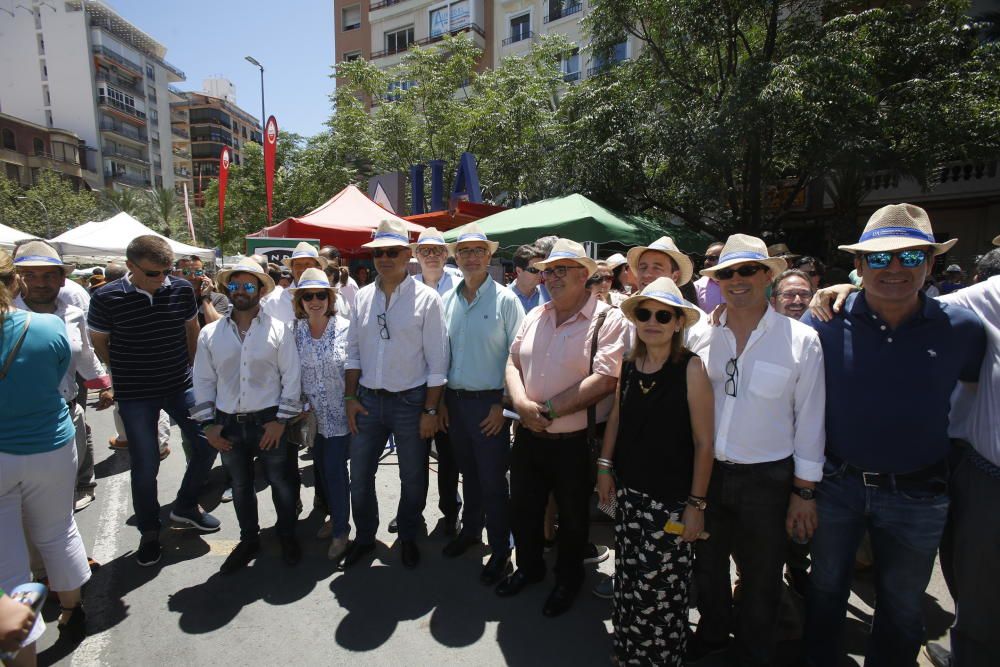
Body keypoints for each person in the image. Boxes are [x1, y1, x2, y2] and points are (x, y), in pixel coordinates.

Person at [799, 204, 986, 667]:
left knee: (903, 608)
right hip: (836, 484)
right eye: (880, 259)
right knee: (824, 592)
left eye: (910, 257)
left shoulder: (962, 328)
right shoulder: (822, 321)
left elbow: (976, 394)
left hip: (919, 492)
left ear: (930, 263)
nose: (896, 269)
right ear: (859, 267)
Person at [690, 234, 826, 665]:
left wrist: (804, 493)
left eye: (748, 269)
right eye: (727, 272)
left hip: (768, 480)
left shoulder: (801, 340)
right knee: (707, 568)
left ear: (769, 275)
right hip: (709, 475)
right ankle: (711, 636)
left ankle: (752, 651)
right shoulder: (699, 334)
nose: (737, 279)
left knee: (762, 578)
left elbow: (810, 421)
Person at [499, 238, 629, 617]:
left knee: (573, 519)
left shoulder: (607, 319)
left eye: (561, 270)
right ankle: (530, 568)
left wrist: (549, 410)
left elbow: (606, 379)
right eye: (548, 271)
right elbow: (511, 363)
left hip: (575, 442)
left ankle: (568, 579)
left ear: (585, 275)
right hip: (527, 434)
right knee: (523, 509)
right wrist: (522, 404)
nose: (551, 277)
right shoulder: (536, 315)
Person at [596, 277, 714, 665]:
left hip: (671, 502)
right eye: (645, 313)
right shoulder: (629, 365)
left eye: (664, 315)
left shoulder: (691, 368)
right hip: (631, 496)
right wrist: (604, 467)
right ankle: (628, 654)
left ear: (678, 322)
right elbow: (616, 418)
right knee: (629, 581)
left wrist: (697, 504)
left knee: (660, 591)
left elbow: (703, 443)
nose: (653, 321)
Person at [88, 235, 221, 567]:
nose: (162, 279)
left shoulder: (178, 289)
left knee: (209, 444)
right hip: (135, 393)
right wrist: (121, 374)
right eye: (153, 273)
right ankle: (150, 532)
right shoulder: (106, 297)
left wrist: (192, 370)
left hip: (180, 385)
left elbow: (191, 330)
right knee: (146, 465)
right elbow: (100, 342)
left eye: (167, 270)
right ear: (130, 267)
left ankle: (186, 506)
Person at [341, 219, 449, 570]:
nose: (384, 258)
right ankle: (365, 537)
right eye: (378, 252)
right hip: (368, 400)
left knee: (413, 476)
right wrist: (350, 397)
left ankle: (407, 536)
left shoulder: (427, 299)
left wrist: (430, 411)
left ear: (407, 255)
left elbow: (437, 362)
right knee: (359, 476)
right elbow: (352, 352)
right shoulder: (361, 296)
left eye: (392, 251)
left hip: (410, 401)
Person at [0, 249, 91, 656]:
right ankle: (73, 608)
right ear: (15, 280)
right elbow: (58, 375)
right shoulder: (48, 326)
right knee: (59, 530)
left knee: (8, 556)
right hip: (50, 443)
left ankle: (23, 652)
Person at [191, 258, 303, 573]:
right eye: (236, 286)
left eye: (249, 285)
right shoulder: (210, 334)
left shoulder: (279, 330)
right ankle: (248, 540)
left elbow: (291, 378)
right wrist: (209, 425)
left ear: (260, 290)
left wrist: (280, 421)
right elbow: (202, 380)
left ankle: (287, 535)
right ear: (228, 289)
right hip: (228, 424)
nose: (241, 291)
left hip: (269, 420)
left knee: (282, 482)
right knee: (241, 486)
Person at [439, 223, 525, 584]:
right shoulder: (446, 300)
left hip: (490, 403)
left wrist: (504, 404)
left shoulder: (507, 300)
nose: (471, 257)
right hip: (454, 403)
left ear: (489, 257)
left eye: (478, 251)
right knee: (468, 474)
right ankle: (471, 531)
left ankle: (502, 550)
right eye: (464, 251)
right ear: (456, 258)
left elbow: (519, 356)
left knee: (492, 482)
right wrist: (440, 402)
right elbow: (439, 356)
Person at [12, 241, 113, 512]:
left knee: (62, 496)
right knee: (21, 503)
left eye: (48, 275)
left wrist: (104, 385)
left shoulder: (73, 314)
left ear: (61, 278)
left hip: (66, 416)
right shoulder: (6, 315)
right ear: (16, 278)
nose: (40, 283)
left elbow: (85, 354)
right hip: (16, 425)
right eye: (30, 275)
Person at [290, 268, 352, 561]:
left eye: (320, 295)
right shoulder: (294, 331)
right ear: (300, 301)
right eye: (308, 296)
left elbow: (357, 371)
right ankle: (335, 519)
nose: (315, 301)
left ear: (330, 298)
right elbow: (287, 373)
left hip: (342, 416)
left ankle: (341, 530)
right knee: (323, 474)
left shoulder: (347, 328)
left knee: (336, 472)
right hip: (312, 418)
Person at [411, 227, 464, 536]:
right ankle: (412, 511)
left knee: (448, 457)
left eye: (437, 250)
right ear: (417, 256)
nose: (431, 255)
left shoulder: (461, 286)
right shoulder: (407, 288)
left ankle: (450, 511)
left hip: (451, 385)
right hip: (415, 385)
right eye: (425, 251)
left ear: (446, 255)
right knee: (414, 458)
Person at [626, 235, 712, 353]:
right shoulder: (620, 314)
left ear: (675, 276)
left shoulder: (699, 325)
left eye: (657, 268)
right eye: (643, 267)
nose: (647, 274)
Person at [509, 243, 548, 313]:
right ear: (519, 271)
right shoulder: (504, 296)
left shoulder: (547, 292)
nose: (540, 274)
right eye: (534, 270)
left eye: (542, 270)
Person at [319, 245, 359, 310]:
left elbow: (354, 310)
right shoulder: (318, 280)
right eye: (319, 260)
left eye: (324, 259)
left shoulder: (349, 284)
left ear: (336, 260)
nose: (320, 263)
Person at [693, 241, 725, 313]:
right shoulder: (697, 286)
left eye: (712, 258)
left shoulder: (737, 283)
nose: (706, 262)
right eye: (706, 258)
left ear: (724, 259)